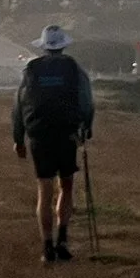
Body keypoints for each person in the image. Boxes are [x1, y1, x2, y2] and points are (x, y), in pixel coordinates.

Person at [12, 24, 94, 263]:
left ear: (43, 46)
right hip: (66, 134)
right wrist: (86, 128)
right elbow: (86, 101)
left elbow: (19, 105)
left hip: (39, 135)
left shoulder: (31, 69)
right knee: (66, 186)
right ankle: (63, 240)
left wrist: (18, 138)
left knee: (44, 190)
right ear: (63, 46)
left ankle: (47, 247)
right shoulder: (74, 68)